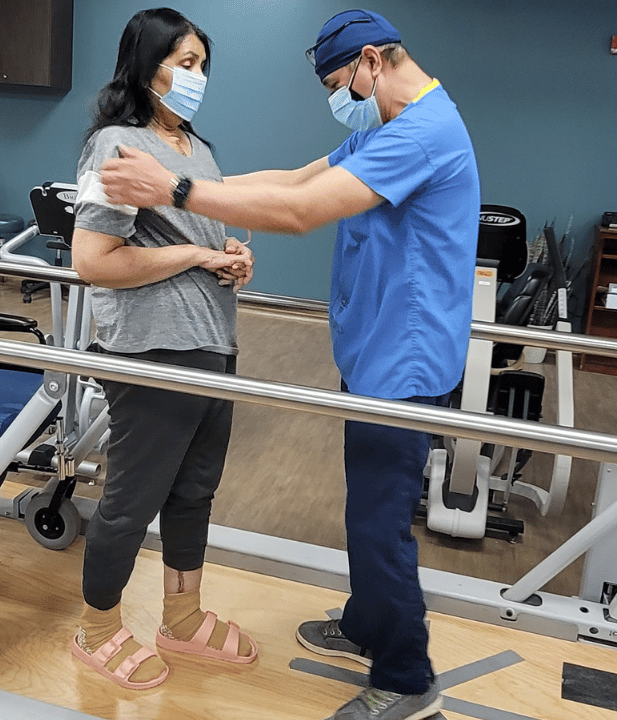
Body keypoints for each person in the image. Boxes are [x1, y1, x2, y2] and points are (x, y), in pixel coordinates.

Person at [101, 9, 479, 719]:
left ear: (373, 62)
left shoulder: (422, 133)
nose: (340, 100)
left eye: (341, 84)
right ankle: (369, 624)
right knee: (366, 509)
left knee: (378, 521)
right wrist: (192, 181)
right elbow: (296, 177)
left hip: (403, 365)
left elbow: (305, 212)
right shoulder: (387, 126)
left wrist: (173, 191)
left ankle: (405, 678)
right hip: (375, 354)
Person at [68, 7, 257, 691]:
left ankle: (180, 615)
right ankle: (95, 630)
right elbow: (93, 259)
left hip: (213, 343)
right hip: (152, 350)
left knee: (194, 494)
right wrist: (193, 256)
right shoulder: (118, 145)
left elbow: (196, 244)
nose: (196, 76)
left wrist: (231, 257)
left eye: (202, 65)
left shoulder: (197, 151)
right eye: (184, 62)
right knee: (132, 498)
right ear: (144, 65)